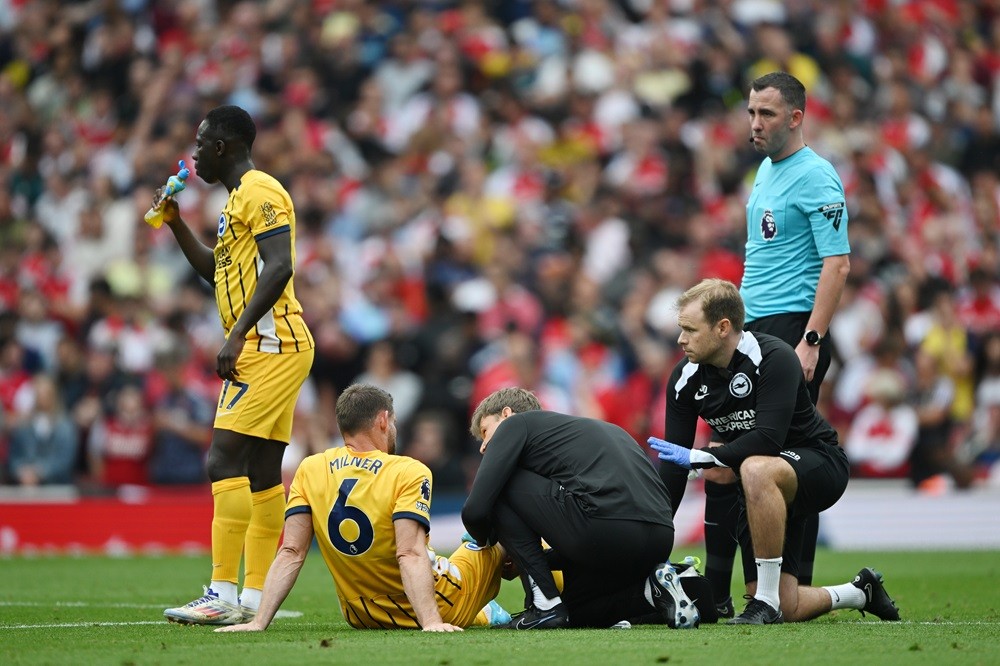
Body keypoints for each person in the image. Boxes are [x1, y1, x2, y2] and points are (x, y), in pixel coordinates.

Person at [664, 71, 851, 616]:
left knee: (782, 455)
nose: (754, 124)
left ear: (795, 117)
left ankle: (785, 586)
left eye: (766, 114)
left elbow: (836, 263)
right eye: (750, 113)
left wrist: (812, 340)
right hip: (753, 329)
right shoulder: (766, 174)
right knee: (729, 452)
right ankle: (727, 592)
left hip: (793, 328)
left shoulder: (816, 176)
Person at [650, 279, 899, 624]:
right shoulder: (684, 378)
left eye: (690, 330)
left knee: (749, 465)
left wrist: (702, 456)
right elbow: (675, 464)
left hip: (818, 463)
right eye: (681, 329)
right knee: (790, 606)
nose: (681, 339)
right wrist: (653, 537)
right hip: (762, 487)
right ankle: (860, 591)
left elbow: (768, 440)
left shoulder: (774, 356)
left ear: (723, 328)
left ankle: (762, 602)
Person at [159, 105, 315, 625]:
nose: (195, 151)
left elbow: (280, 267)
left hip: (271, 345)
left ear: (223, 146)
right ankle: (253, 598)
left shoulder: (262, 191)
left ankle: (220, 593)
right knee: (263, 470)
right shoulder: (235, 204)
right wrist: (176, 224)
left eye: (202, 142)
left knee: (222, 459)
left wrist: (237, 333)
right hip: (271, 344)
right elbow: (217, 272)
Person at [216, 383, 508, 633]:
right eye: (392, 422)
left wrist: (259, 622)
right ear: (383, 420)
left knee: (458, 552)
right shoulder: (408, 470)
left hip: (363, 616)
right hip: (437, 606)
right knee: (499, 532)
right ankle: (542, 605)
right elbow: (409, 552)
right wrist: (431, 622)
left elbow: (291, 552)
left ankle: (484, 612)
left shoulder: (310, 468)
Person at [462, 386, 700, 630]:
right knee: (573, 613)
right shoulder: (600, 432)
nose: (483, 447)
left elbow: (475, 510)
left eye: (485, 431)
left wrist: (487, 542)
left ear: (507, 414)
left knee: (499, 487)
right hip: (659, 541)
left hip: (604, 526)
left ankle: (543, 605)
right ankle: (656, 591)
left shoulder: (515, 425)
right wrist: (531, 558)